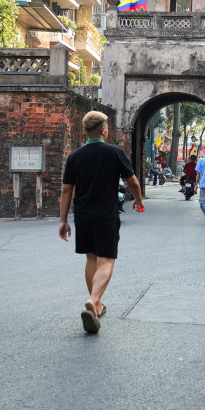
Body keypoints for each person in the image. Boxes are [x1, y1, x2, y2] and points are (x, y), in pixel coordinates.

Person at [58, 111, 144, 334]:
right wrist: (139, 200)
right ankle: (94, 298)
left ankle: (96, 305)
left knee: (91, 258)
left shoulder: (74, 156)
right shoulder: (114, 152)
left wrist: (63, 220)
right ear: (104, 130)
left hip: (83, 215)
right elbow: (132, 181)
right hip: (106, 214)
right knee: (107, 260)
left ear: (85, 130)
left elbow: (67, 189)